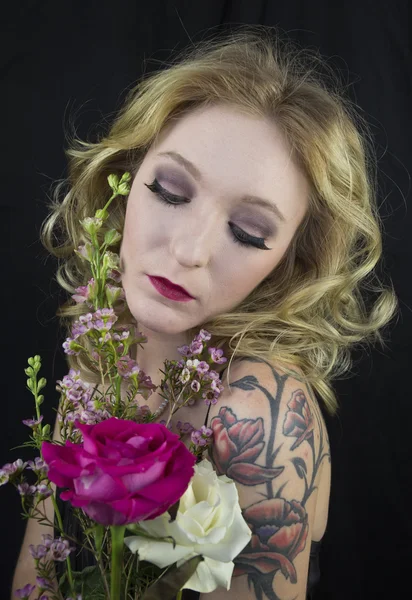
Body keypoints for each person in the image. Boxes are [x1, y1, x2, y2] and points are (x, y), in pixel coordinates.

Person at [11, 25, 398, 600]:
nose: (190, 251)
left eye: (246, 231)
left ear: (290, 263)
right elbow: (36, 573)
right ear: (127, 178)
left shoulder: (260, 418)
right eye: (169, 191)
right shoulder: (100, 335)